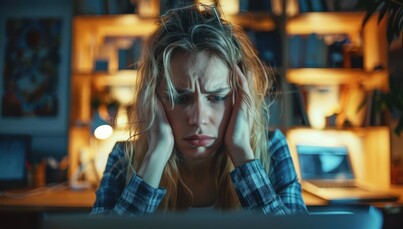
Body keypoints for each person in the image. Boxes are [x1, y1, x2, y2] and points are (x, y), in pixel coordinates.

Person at [91, 4, 307, 216]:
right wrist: (155, 156)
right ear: (153, 98)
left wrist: (242, 152)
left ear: (242, 96)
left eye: (216, 97)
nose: (198, 118)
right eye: (181, 98)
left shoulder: (272, 150)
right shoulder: (123, 158)